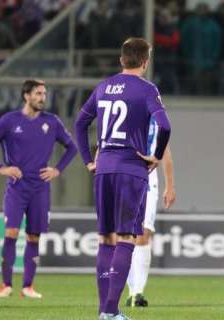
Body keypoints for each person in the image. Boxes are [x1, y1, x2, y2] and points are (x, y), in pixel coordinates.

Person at [74, 37, 171, 320]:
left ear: (121, 60)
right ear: (145, 61)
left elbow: (80, 123)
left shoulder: (104, 86)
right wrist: (155, 155)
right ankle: (110, 312)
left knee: (106, 238)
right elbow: (164, 125)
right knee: (127, 237)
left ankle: (104, 311)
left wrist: (88, 160)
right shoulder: (147, 89)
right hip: (131, 168)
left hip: (103, 168)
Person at [0, 79, 77, 299]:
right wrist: (1, 168)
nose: (43, 97)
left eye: (44, 93)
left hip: (40, 188)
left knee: (34, 237)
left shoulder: (52, 122)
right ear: (26, 96)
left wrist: (57, 169)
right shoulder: (9, 121)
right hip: (16, 187)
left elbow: (72, 147)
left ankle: (27, 287)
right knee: (11, 232)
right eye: (38, 93)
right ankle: (6, 285)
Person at [125, 119, 176, 307]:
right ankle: (130, 291)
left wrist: (170, 186)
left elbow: (165, 152)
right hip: (124, 178)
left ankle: (138, 292)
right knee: (125, 236)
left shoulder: (158, 119)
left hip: (148, 180)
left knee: (144, 233)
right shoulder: (126, 111)